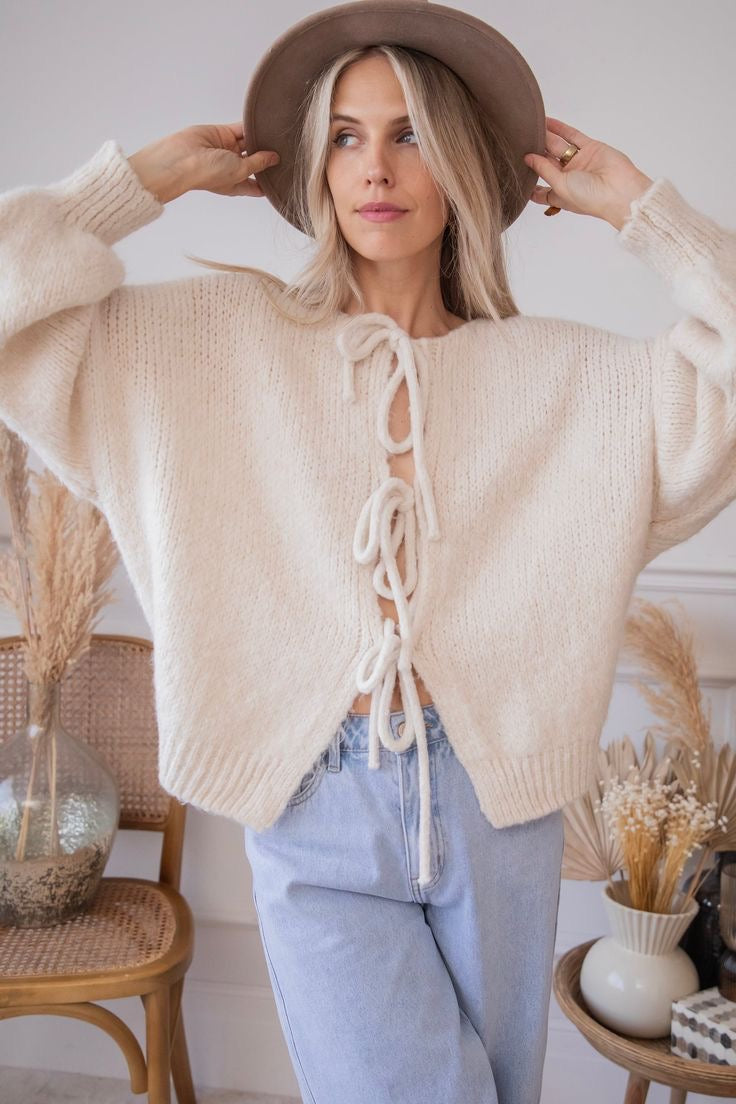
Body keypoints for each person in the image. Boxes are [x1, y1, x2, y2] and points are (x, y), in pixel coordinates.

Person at [1, 2, 734, 1102]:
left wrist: (642, 211)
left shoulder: (575, 380)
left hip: (500, 805)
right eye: (345, 135)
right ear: (316, 166)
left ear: (464, 165)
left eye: (409, 134)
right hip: (313, 799)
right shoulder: (203, 345)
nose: (375, 167)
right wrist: (140, 182)